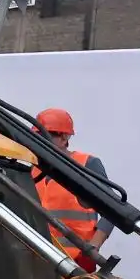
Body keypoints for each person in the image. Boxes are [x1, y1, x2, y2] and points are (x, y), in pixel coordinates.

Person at [32, 107, 113, 270]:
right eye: (37, 136)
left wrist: (93, 247)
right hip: (39, 262)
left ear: (63, 137)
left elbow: (112, 211)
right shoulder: (32, 169)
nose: (39, 141)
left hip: (76, 264)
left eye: (45, 136)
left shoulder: (86, 164)